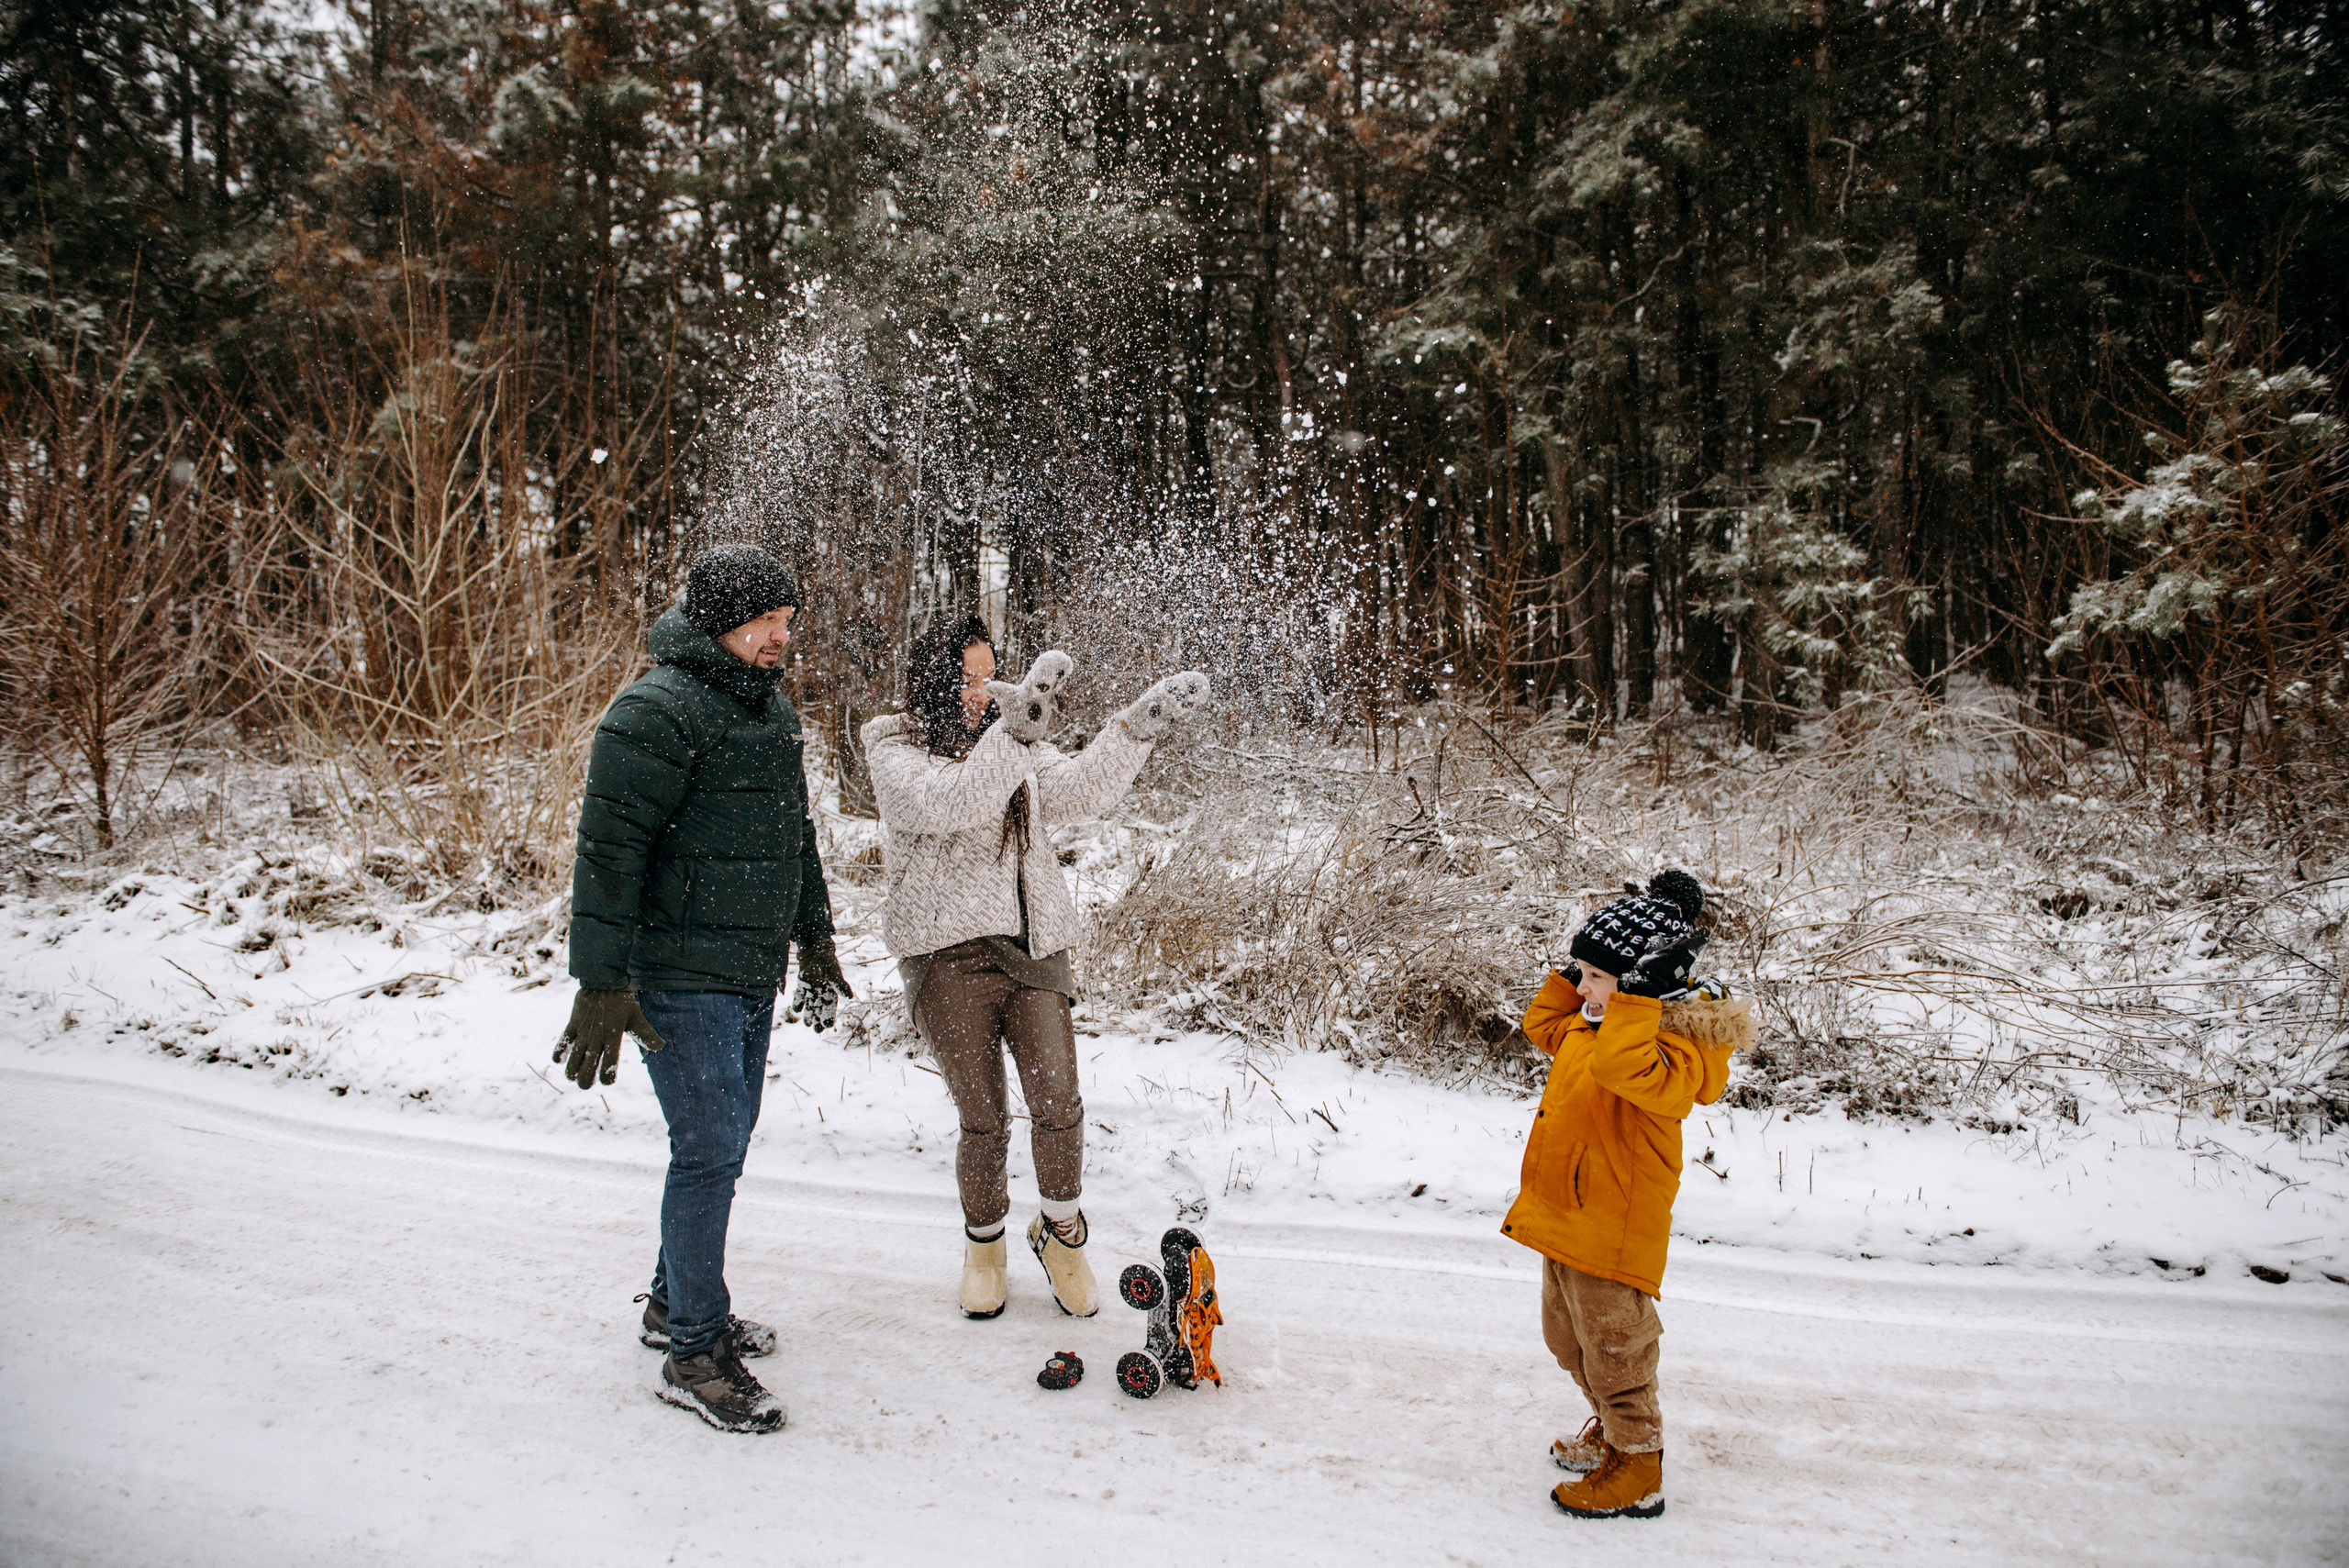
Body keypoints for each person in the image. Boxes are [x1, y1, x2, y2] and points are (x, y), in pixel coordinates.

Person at [554, 541, 852, 1435]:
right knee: (710, 1144)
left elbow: (792, 836)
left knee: (722, 1141)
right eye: (766, 620)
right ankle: (693, 1348)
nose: (781, 635)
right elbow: (608, 856)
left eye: (787, 620)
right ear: (720, 620)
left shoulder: (766, 710)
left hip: (749, 965)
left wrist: (816, 935)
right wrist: (601, 982)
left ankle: (667, 1300)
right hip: (679, 974)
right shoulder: (651, 712)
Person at [862, 616, 1209, 1319]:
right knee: (984, 1120)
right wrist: (1016, 730)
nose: (988, 688)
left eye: (994, 671)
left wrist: (1136, 727)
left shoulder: (1010, 732)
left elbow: (1080, 791)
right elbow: (952, 803)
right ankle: (984, 1247)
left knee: (1059, 1105)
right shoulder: (893, 744)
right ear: (935, 679)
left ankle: (1062, 1236)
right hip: (946, 954)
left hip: (1033, 947)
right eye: (972, 676)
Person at [1499, 870, 1754, 1519]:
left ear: (1644, 988)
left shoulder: (1677, 1050)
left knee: (1617, 1350)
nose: (1581, 988)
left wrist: (1634, 992)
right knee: (1568, 1341)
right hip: (1564, 1216)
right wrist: (1591, 972)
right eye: (1579, 973)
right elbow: (1540, 1021)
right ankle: (1612, 1433)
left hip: (1613, 1227)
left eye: (1596, 977)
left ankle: (1639, 1464)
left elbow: (1623, 1067)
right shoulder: (1594, 1023)